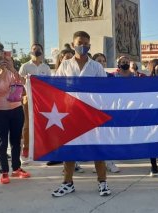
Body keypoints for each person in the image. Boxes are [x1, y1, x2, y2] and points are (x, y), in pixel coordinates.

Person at [52, 31, 111, 197]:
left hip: (92, 113)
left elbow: (105, 90)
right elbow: (56, 87)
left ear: (90, 46)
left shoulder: (96, 67)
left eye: (86, 43)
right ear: (73, 44)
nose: (83, 46)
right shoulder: (65, 65)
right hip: (70, 113)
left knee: (97, 148)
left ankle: (103, 182)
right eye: (80, 43)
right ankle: (68, 182)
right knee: (70, 148)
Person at [0, 50, 31, 184]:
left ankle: (16, 168)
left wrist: (12, 69)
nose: (2, 62)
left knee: (16, 141)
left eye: (6, 59)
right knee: (1, 142)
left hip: (16, 110)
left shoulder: (13, 73)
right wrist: (2, 72)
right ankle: (4, 171)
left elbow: (23, 85)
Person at [18, 43, 52, 165]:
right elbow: (19, 83)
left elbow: (49, 85)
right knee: (27, 125)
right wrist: (24, 96)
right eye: (33, 49)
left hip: (42, 101)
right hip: (28, 100)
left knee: (43, 124)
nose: (36, 51)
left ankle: (42, 148)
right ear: (30, 52)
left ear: (42, 51)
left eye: (38, 49)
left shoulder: (46, 68)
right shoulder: (25, 66)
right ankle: (26, 150)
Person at [46, 45, 74, 167]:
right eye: (65, 57)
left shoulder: (75, 72)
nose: (67, 60)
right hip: (60, 106)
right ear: (60, 59)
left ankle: (74, 161)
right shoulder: (55, 74)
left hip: (73, 105)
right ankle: (58, 156)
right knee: (60, 133)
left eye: (70, 57)